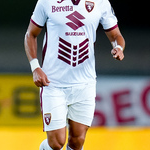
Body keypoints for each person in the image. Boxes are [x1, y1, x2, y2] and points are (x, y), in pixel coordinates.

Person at [24, 0, 125, 149]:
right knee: (56, 143)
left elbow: (116, 35)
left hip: (85, 84)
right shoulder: (47, 2)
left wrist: (118, 47)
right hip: (53, 83)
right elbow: (30, 34)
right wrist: (35, 67)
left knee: (77, 142)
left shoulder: (101, 2)